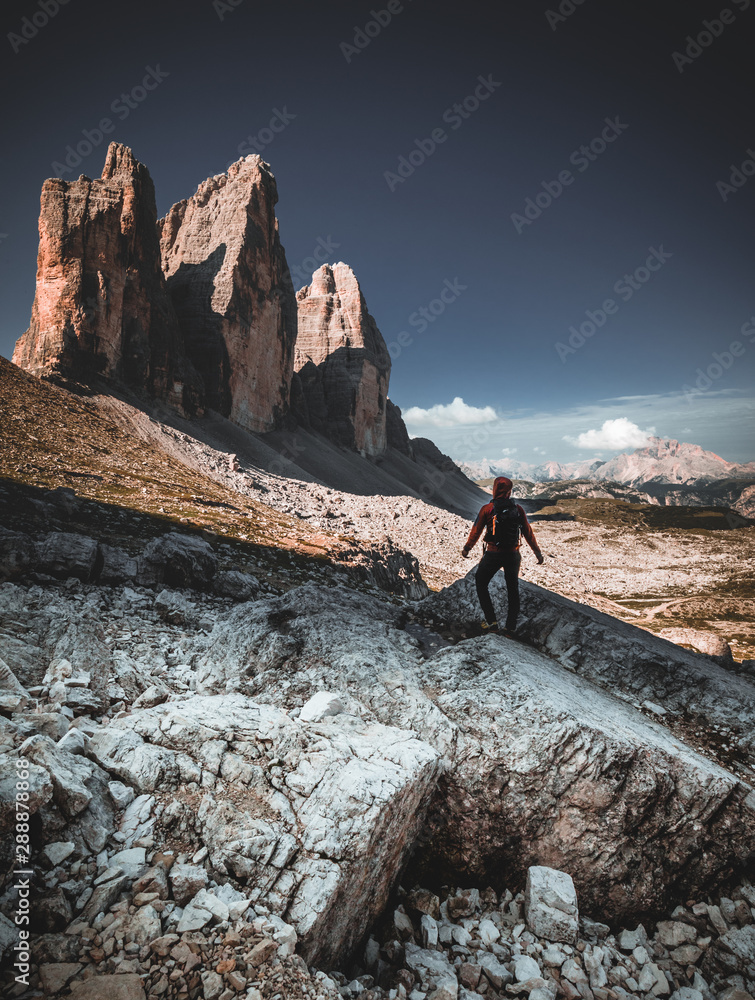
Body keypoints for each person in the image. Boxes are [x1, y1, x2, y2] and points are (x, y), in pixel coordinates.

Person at [461, 476, 544, 635]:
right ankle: (510, 627)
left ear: (494, 489)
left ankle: (492, 623)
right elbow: (528, 532)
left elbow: (476, 530)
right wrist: (537, 553)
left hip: (493, 554)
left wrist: (467, 548)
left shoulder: (487, 509)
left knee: (481, 582)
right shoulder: (518, 509)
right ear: (509, 491)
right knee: (512, 589)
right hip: (513, 555)